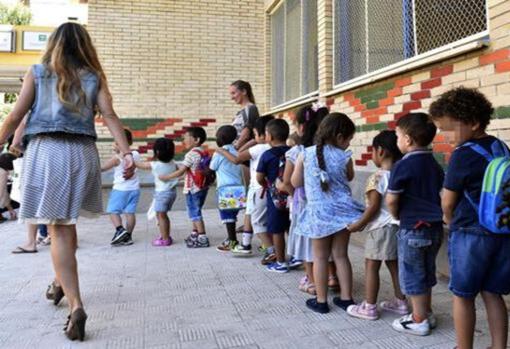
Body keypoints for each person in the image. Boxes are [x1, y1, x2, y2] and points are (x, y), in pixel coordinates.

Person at [0, 22, 134, 341]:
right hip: (83, 152)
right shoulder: (94, 76)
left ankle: (76, 305)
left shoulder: (38, 71)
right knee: (66, 225)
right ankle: (60, 282)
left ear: (54, 44)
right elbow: (110, 116)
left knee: (59, 228)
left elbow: (16, 116)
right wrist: (127, 154)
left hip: (48, 151)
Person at [430, 87, 510, 349]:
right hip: (502, 230)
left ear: (474, 123)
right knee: (493, 292)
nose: (445, 135)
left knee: (463, 295)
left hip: (470, 233)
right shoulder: (500, 146)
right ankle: (499, 346)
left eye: (449, 129)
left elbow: (448, 199)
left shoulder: (463, 154)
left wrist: (448, 219)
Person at [292, 113, 363, 313]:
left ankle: (321, 301)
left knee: (320, 257)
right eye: (349, 139)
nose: (348, 143)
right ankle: (347, 298)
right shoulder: (345, 156)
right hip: (343, 211)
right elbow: (349, 177)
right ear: (340, 137)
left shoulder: (305, 154)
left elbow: (296, 183)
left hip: (318, 213)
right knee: (341, 255)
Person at [386, 113, 443, 336]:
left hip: (413, 228)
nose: (397, 140)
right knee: (427, 272)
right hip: (435, 228)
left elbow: (392, 199)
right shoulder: (434, 164)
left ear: (408, 139)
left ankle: (418, 319)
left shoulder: (402, 165)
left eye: (398, 135)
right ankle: (426, 313)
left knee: (412, 275)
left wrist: (396, 215)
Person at [346, 130, 408, 320]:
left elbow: (373, 207)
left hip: (380, 228)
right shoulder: (402, 174)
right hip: (398, 226)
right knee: (394, 264)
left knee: (371, 265)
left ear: (380, 151)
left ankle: (369, 306)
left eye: (372, 151)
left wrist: (358, 224)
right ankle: (401, 302)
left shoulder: (378, 178)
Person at [215, 115, 275, 259]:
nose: (253, 138)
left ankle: (270, 250)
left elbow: (236, 159)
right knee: (253, 215)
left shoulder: (259, 148)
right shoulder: (277, 148)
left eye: (255, 134)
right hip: (271, 189)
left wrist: (222, 151)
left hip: (257, 189)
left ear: (264, 134)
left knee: (257, 221)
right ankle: (246, 244)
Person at [277, 106, 322, 293]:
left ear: (301, 128)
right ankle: (331, 276)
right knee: (325, 242)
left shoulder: (297, 151)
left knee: (306, 243)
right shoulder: (326, 149)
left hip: (302, 202)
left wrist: (288, 192)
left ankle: (312, 280)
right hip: (323, 204)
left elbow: (289, 181)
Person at [160, 127, 211, 248]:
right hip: (202, 187)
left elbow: (181, 171)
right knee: (196, 210)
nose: (184, 141)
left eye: (186, 138)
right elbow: (192, 171)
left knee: (194, 213)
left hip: (193, 189)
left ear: (196, 139)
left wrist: (166, 177)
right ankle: (195, 233)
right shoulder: (203, 152)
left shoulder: (191, 154)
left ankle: (202, 237)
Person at [256, 118, 291, 273]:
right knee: (292, 226)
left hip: (275, 197)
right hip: (293, 196)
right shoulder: (293, 152)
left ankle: (281, 261)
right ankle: (297, 256)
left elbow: (259, 177)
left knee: (277, 229)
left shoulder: (267, 155)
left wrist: (267, 186)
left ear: (268, 136)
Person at [102, 129, 141, 246]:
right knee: (130, 213)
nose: (114, 144)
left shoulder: (117, 158)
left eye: (115, 142)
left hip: (120, 190)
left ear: (120, 142)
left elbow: (103, 168)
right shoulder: (136, 154)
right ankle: (128, 236)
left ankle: (120, 230)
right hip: (134, 189)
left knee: (113, 211)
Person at [136, 138, 178, 246]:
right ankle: (165, 235)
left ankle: (165, 239)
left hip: (162, 194)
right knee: (163, 215)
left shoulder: (155, 164)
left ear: (157, 152)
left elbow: (140, 165)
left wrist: (128, 156)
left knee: (161, 216)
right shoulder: (173, 163)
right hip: (172, 193)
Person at [209, 125, 244, 251]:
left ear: (220, 138)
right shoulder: (237, 152)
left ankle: (233, 241)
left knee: (228, 217)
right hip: (239, 188)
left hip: (226, 189)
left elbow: (212, 168)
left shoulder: (219, 153)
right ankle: (232, 238)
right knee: (233, 215)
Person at [230, 80, 259, 150]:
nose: (231, 97)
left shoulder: (251, 108)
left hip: (242, 153)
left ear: (244, 92)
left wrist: (235, 149)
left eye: (233, 93)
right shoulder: (241, 111)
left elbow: (246, 134)